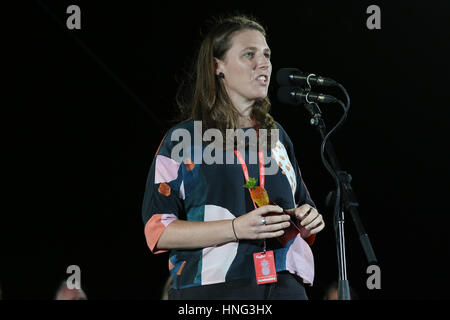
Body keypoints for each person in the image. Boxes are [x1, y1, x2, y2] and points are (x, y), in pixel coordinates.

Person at [142, 14, 325, 300]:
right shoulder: (184, 139)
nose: (263, 63)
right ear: (218, 66)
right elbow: (158, 231)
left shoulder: (276, 137)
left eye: (266, 54)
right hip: (213, 286)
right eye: (249, 54)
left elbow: (303, 206)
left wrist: (306, 218)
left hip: (285, 284)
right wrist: (235, 228)